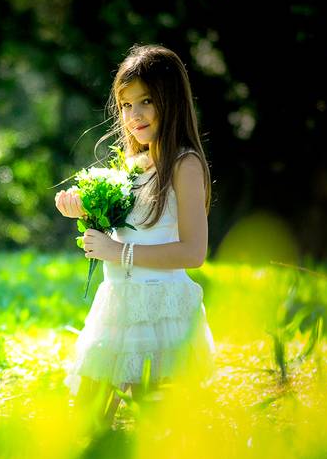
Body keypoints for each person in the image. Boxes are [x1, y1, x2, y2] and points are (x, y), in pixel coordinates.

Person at [54, 44, 216, 430]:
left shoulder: (184, 164)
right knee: (88, 424)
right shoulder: (132, 166)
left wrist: (118, 251)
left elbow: (194, 252)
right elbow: (127, 229)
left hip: (160, 310)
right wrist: (87, 211)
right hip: (116, 306)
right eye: (126, 105)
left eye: (145, 100)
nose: (134, 114)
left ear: (170, 100)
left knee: (157, 429)